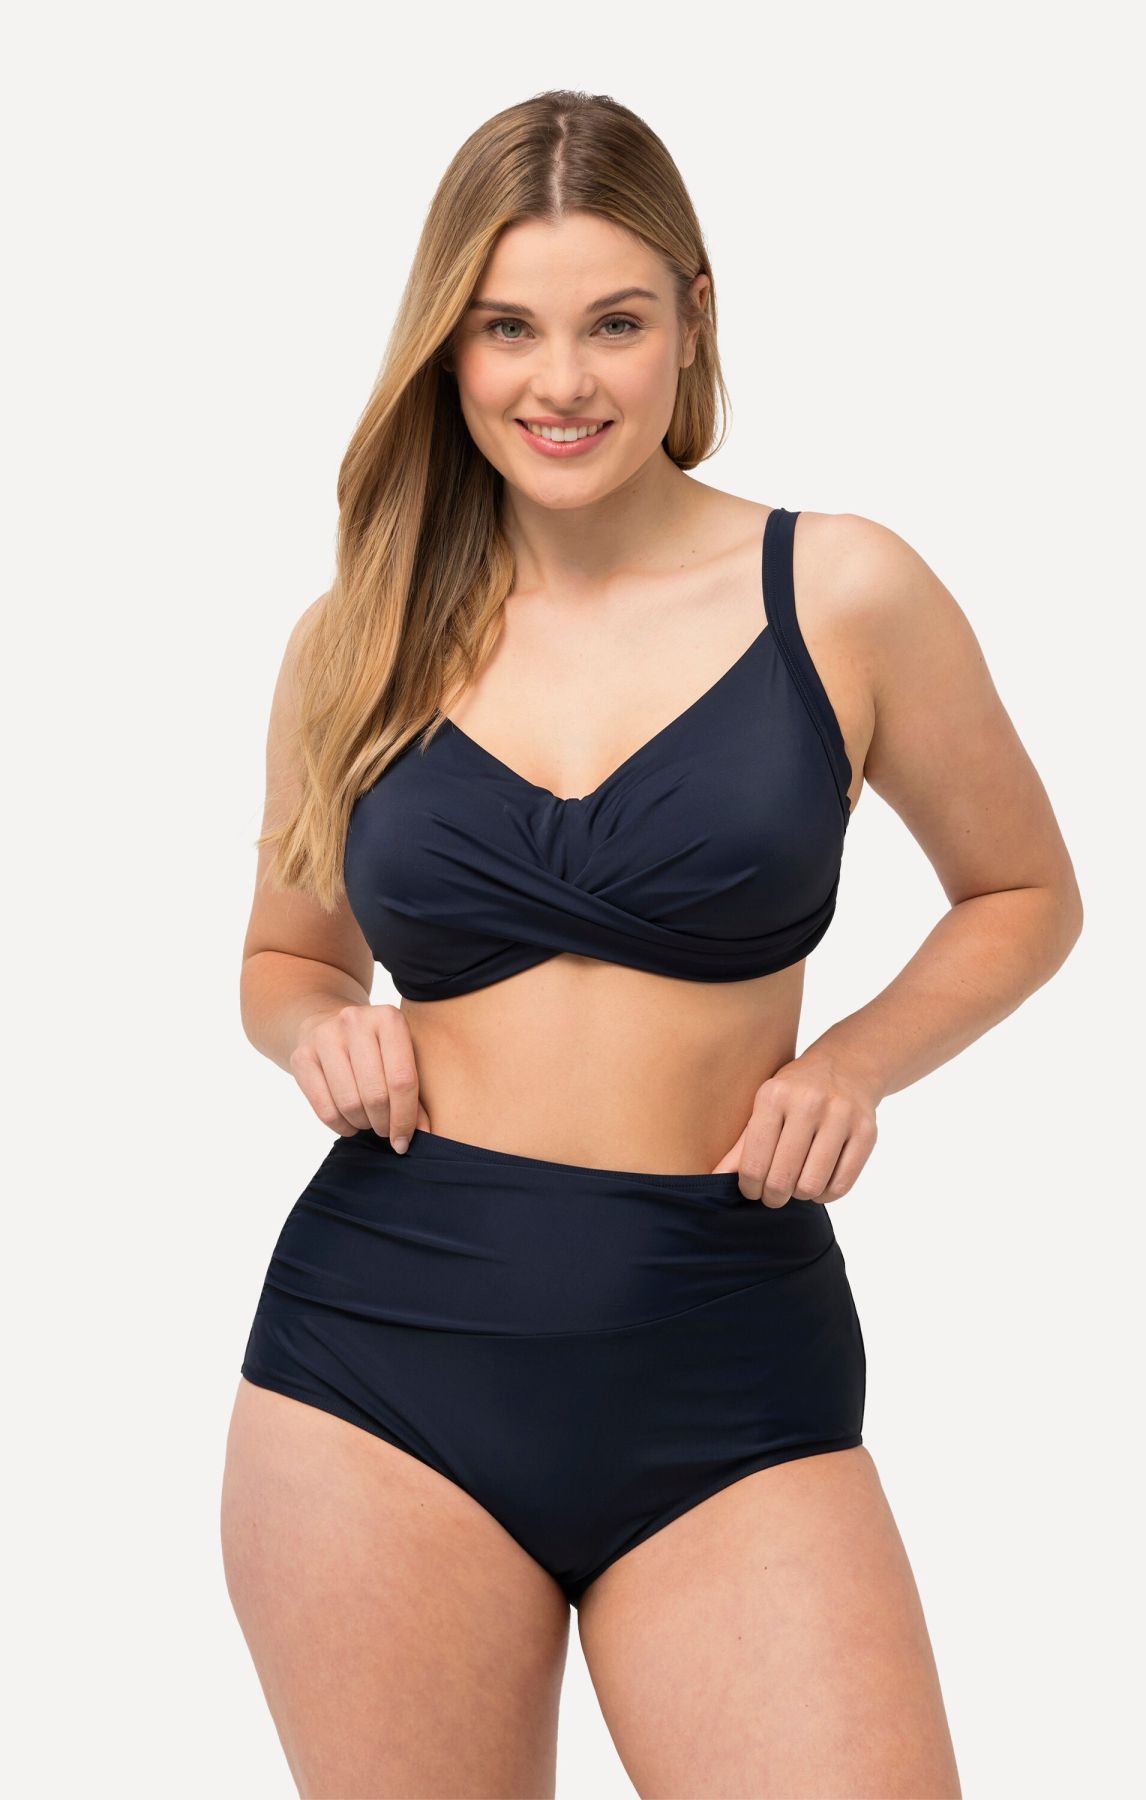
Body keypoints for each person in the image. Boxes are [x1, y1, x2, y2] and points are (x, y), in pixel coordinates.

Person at [220, 88, 1082, 1800]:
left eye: (614, 322)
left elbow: (1024, 892)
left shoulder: (840, 590)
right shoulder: (357, 635)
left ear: (693, 319)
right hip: (379, 1365)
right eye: (508, 328)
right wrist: (318, 1025)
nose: (563, 381)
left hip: (727, 1359)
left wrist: (854, 1064)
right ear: (448, 345)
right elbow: (283, 958)